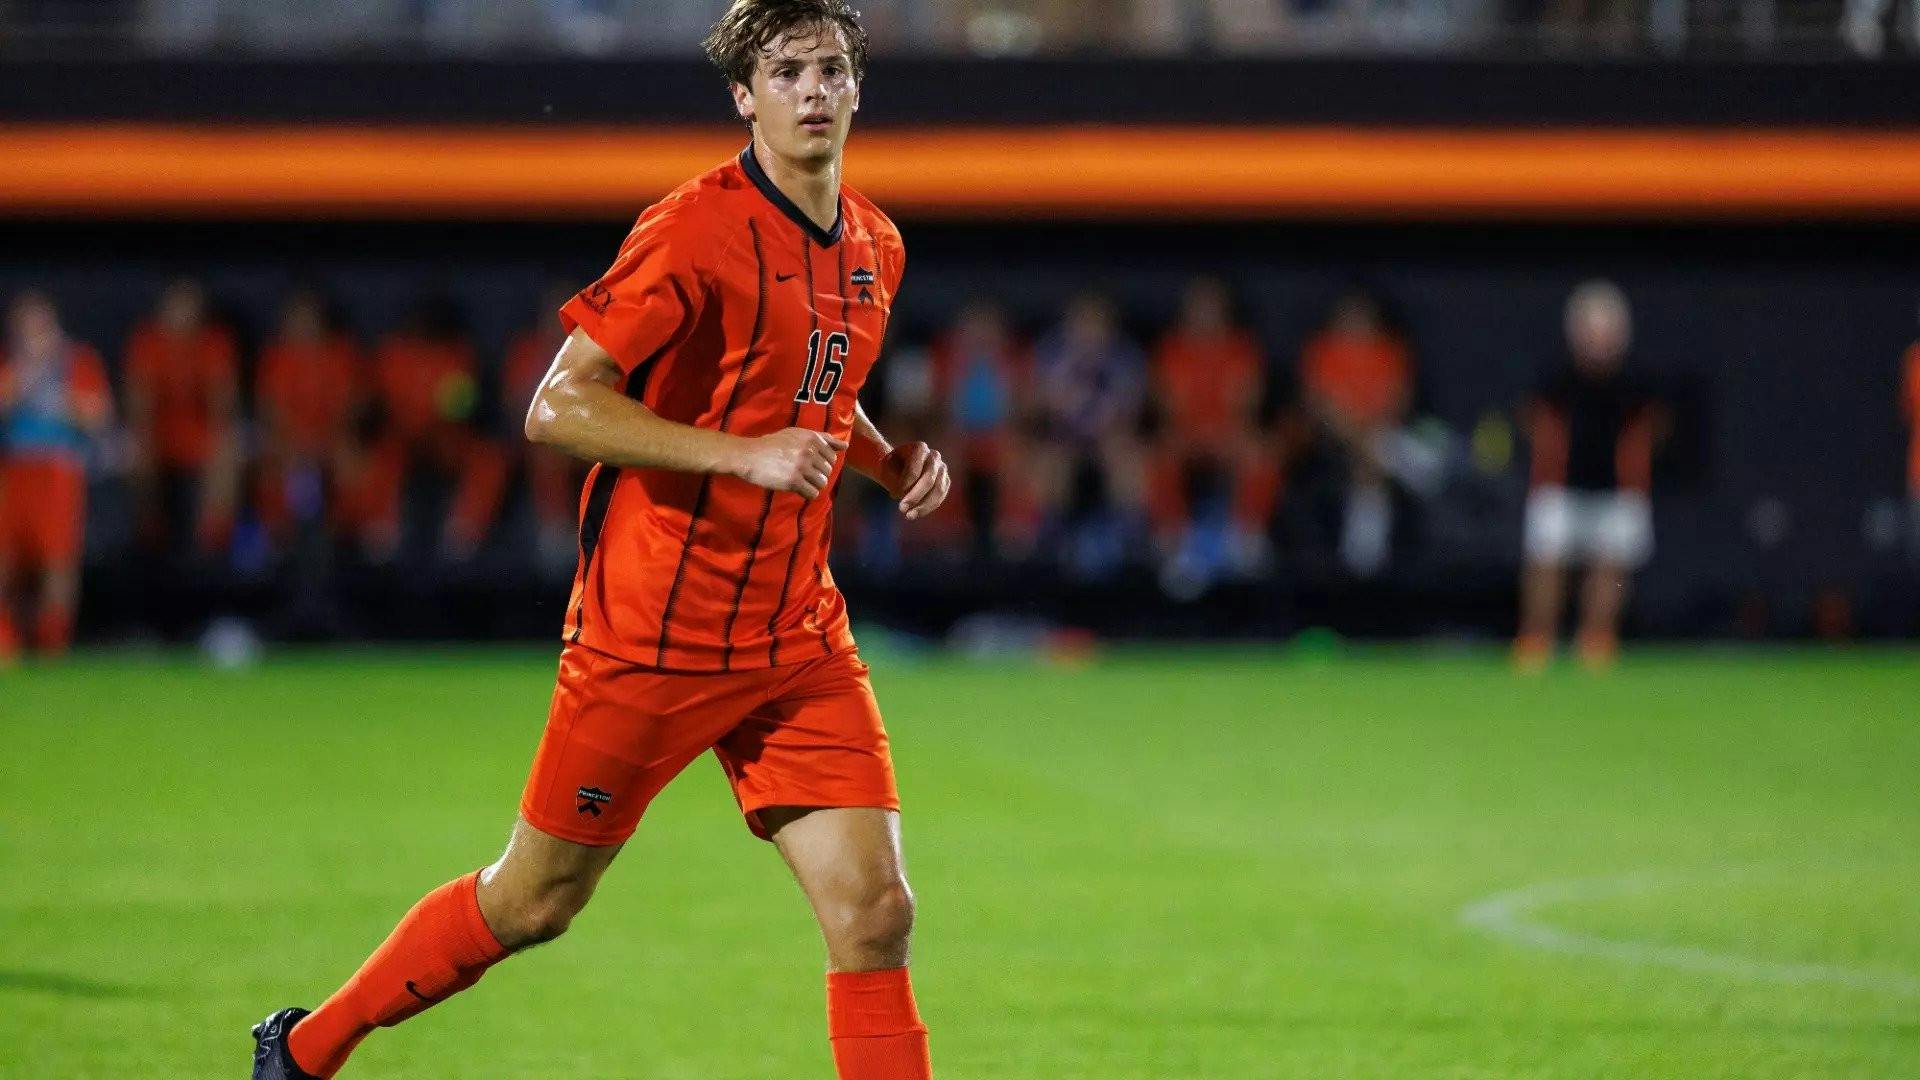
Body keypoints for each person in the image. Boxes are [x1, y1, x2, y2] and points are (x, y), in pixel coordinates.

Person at [250, 3, 949, 1079]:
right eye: (786, 72)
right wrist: (739, 455)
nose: (813, 90)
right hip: (652, 635)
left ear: (858, 88)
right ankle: (305, 1049)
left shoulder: (875, 243)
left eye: (831, 69)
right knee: (534, 902)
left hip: (795, 638)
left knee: (876, 912)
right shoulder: (692, 229)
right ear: (743, 97)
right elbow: (556, 406)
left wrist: (887, 462)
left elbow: (815, 384)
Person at [1514, 280, 1659, 671]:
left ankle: (1596, 642)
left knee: (1609, 566)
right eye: (1591, 331)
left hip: (1617, 492)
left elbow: (1653, 433)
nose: (1598, 341)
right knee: (1546, 561)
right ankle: (1536, 641)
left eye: (1606, 331)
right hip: (1560, 490)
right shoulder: (1554, 383)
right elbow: (1531, 423)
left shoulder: (1636, 388)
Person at [345, 296, 508, 562]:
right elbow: (371, 406)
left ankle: (462, 535)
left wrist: (442, 421)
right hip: (399, 439)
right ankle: (381, 530)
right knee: (377, 455)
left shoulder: (458, 354)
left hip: (448, 440)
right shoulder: (392, 353)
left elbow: (467, 408)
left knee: (489, 458)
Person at [0, 291, 112, 660]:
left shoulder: (76, 362)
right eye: (23, 327)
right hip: (13, 468)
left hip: (57, 469)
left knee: (57, 560)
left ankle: (52, 641)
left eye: (38, 326)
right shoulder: (9, 364)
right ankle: (7, 637)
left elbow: (98, 415)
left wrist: (62, 401)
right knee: (6, 558)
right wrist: (21, 381)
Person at [1148, 276, 1278, 588]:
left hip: (1229, 432)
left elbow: (1247, 403)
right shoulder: (1172, 349)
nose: (1206, 313)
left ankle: (1245, 536)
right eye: (1199, 306)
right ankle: (1174, 539)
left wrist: (1221, 433)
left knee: (1260, 452)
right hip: (1186, 434)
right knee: (1159, 453)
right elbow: (1167, 406)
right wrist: (1196, 433)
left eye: (1212, 306)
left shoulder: (1242, 348)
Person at [1030, 289, 1148, 576]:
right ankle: (1050, 539)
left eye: (1096, 322)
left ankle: (1127, 536)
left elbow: (1132, 407)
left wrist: (1105, 423)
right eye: (1082, 321)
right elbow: (1039, 404)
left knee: (1125, 455)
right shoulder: (1052, 353)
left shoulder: (1125, 357)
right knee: (1051, 459)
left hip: (1110, 435)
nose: (1088, 330)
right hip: (1063, 436)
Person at [124, 277, 242, 560]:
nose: (182, 313)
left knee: (226, 443)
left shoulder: (214, 341)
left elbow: (223, 400)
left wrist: (216, 419)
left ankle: (213, 539)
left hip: (200, 428)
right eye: (176, 305)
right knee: (138, 445)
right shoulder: (147, 340)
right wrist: (146, 428)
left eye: (189, 305)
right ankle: (149, 533)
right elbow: (138, 400)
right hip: (159, 429)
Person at [1300, 286, 1412, 578]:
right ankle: (1362, 562)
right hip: (1331, 440)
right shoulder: (1323, 351)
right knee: (1373, 454)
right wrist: (1355, 436)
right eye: (1350, 316)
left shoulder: (1389, 352)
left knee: (1375, 456)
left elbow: (1398, 402)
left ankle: (1365, 560)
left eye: (1362, 316)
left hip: (1381, 435)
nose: (1356, 322)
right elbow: (1318, 407)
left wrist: (1369, 433)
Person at [254, 288, 366, 550]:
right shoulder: (276, 357)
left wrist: (325, 440)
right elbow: (270, 412)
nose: (304, 325)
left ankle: (346, 534)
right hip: (289, 439)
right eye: (298, 319)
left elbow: (352, 409)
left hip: (331, 437)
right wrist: (296, 444)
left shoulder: (342, 354)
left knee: (351, 458)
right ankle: (281, 537)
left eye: (310, 318)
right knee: (279, 458)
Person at [927, 297, 1033, 558]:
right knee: (941, 458)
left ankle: (1013, 528)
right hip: (957, 434)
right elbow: (933, 406)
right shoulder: (945, 358)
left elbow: (1027, 408)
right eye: (975, 328)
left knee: (1017, 456)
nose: (981, 336)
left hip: (1001, 434)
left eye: (988, 328)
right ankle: (949, 528)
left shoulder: (1014, 361)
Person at [502, 283, 592, 568]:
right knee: (547, 454)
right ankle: (555, 535)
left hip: (589, 439)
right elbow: (515, 408)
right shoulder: (528, 351)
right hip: (539, 440)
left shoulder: (594, 349)